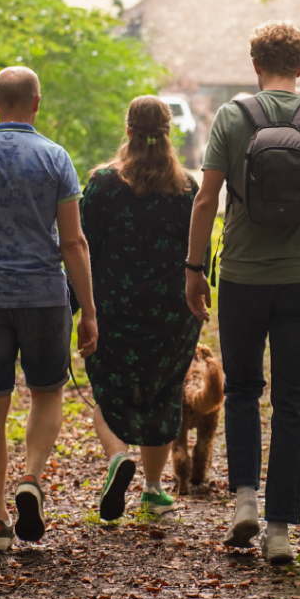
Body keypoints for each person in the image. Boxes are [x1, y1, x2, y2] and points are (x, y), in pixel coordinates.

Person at [185, 20, 300, 565]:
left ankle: (243, 502)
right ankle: (280, 528)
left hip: (240, 274)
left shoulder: (233, 118)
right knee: (292, 399)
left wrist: (194, 268)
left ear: (254, 65)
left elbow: (205, 199)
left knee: (240, 389)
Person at [0, 66, 98, 552]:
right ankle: (30, 477)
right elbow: (73, 241)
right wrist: (88, 308)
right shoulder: (55, 158)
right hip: (45, 297)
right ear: (36, 103)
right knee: (47, 395)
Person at [80, 96, 203, 521]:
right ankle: (152, 489)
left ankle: (117, 458)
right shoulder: (188, 187)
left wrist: (79, 306)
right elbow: (201, 250)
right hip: (172, 311)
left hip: (113, 306)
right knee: (163, 391)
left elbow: (83, 249)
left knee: (109, 388)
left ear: (128, 130)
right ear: (169, 132)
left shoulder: (101, 184)